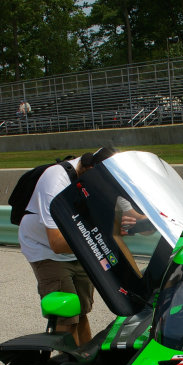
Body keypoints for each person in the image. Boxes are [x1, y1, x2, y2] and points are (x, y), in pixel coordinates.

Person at [18, 147, 115, 346]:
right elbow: (56, 243)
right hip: (45, 249)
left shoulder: (92, 176)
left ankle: (87, 361)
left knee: (81, 311)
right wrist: (101, 237)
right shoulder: (55, 179)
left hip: (78, 247)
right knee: (66, 313)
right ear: (89, 168)